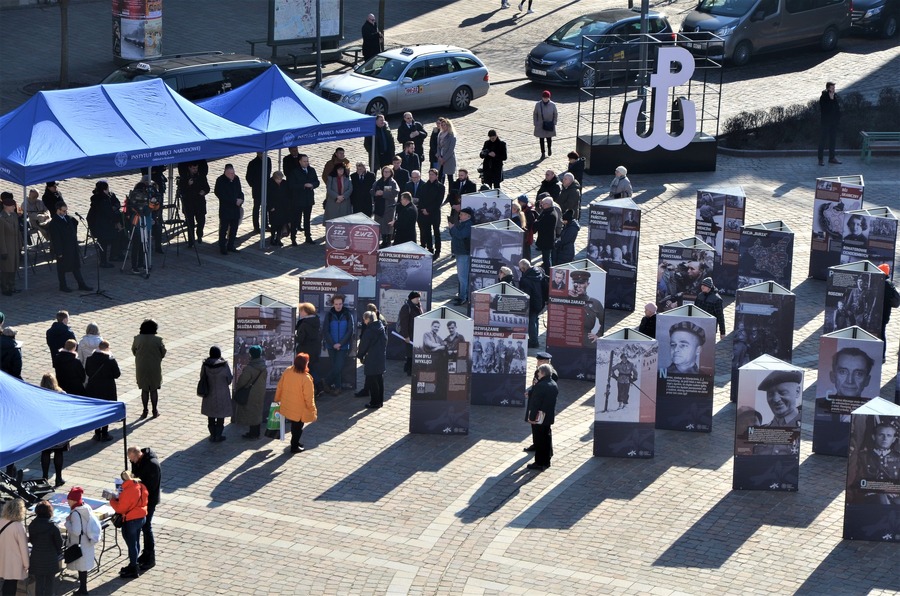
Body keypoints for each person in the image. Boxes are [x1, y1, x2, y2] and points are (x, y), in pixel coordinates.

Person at [275, 352, 318, 453]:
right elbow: (309, 397)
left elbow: (280, 386)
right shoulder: (306, 378)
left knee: (294, 425)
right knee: (298, 427)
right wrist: (312, 408)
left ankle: (296, 443)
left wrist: (277, 399)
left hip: (288, 404)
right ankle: (294, 446)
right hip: (299, 408)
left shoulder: (288, 371)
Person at [109, 470, 148, 579]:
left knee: (131, 544)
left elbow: (120, 509)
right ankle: (134, 563)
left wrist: (112, 500)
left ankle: (133, 567)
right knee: (136, 541)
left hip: (131, 520)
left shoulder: (128, 491)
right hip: (141, 517)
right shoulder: (141, 486)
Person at [127, 446, 161, 571]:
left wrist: (137, 485)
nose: (131, 461)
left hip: (149, 500)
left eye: (132, 459)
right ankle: (145, 553)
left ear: (138, 455)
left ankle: (150, 556)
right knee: (143, 526)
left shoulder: (152, 464)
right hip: (141, 498)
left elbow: (151, 486)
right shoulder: (137, 461)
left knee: (146, 526)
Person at [47, 201, 92, 292]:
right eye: (63, 211)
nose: (65, 212)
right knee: (62, 268)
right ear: (58, 210)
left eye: (66, 211)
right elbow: (56, 239)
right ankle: (63, 286)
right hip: (63, 249)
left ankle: (81, 284)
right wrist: (59, 252)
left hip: (72, 247)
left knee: (76, 267)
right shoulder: (54, 223)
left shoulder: (67, 218)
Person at [64, 487, 102, 593]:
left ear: (73, 500)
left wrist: (67, 523)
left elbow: (76, 531)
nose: (68, 502)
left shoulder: (75, 514)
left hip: (79, 543)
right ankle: (83, 589)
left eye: (69, 499)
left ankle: (83, 590)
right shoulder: (86, 507)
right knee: (83, 568)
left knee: (81, 568)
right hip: (86, 542)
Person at [37, 374, 70, 486]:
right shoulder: (62, 394)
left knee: (45, 452)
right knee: (58, 452)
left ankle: (44, 478)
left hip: (45, 428)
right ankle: (58, 478)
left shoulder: (39, 394)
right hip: (58, 427)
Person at [85, 340, 121, 442]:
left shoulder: (89, 358)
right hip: (107, 389)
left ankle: (97, 433)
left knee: (96, 410)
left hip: (93, 388)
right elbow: (117, 374)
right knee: (106, 410)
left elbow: (87, 372)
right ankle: (105, 433)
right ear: (107, 348)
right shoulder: (110, 360)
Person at [857, 421, 900, 504]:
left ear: (894, 439)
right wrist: (880, 492)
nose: (885, 439)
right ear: (874, 437)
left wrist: (893, 491)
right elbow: (857, 480)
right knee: (881, 499)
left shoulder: (898, 457)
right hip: (869, 497)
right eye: (881, 435)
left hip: (894, 496)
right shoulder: (863, 456)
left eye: (889, 435)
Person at [132, 318, 166, 420]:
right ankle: (155, 410)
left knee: (144, 389)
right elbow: (163, 352)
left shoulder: (137, 339)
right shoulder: (158, 340)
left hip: (142, 366)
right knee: (154, 389)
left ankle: (145, 410)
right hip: (154, 367)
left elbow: (133, 350)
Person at [526, 363, 558, 471]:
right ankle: (546, 461)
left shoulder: (540, 386)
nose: (538, 374)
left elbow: (536, 404)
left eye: (539, 372)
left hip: (539, 417)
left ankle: (539, 463)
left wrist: (531, 417)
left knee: (539, 440)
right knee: (546, 438)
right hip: (548, 417)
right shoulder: (553, 384)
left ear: (543, 373)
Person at [199, 346, 233, 443]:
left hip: (209, 393)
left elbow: (202, 377)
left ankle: (212, 435)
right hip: (222, 393)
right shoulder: (224, 365)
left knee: (211, 415)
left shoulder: (205, 365)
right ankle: (218, 435)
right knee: (221, 415)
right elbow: (229, 379)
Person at [28, 500, 63, 596]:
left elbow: (32, 540)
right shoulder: (53, 526)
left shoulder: (32, 525)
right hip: (50, 558)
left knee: (39, 582)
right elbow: (59, 543)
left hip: (37, 558)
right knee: (49, 583)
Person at [323, 294, 355, 394]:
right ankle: (337, 388)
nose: (338, 306)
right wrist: (333, 344)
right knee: (335, 367)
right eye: (336, 304)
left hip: (343, 346)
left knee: (338, 366)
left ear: (343, 303)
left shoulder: (347, 314)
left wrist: (340, 344)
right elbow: (326, 331)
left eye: (340, 304)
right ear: (333, 304)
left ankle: (325, 382)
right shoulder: (329, 315)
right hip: (331, 345)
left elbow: (350, 331)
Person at [234, 345, 267, 440]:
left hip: (250, 394)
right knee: (257, 412)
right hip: (260, 392)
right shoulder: (263, 367)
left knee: (251, 412)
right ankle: (256, 432)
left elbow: (242, 382)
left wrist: (238, 388)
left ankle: (253, 433)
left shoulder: (249, 368)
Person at [357, 311, 387, 409]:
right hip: (380, 357)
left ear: (368, 319)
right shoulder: (381, 327)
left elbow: (363, 345)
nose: (364, 322)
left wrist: (360, 355)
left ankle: (374, 402)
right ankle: (380, 401)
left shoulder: (369, 330)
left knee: (372, 381)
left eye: (364, 319)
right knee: (379, 379)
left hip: (371, 358)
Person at [288, 152, 320, 245]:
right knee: (295, 219)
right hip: (298, 200)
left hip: (308, 199)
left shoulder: (311, 170)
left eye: (307, 161)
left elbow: (317, 182)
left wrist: (312, 185)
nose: (306, 163)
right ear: (300, 162)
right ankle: (293, 238)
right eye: (304, 161)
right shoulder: (295, 172)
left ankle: (308, 237)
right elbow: (291, 185)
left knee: (307, 219)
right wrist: (303, 185)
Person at [214, 164, 245, 255]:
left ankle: (231, 245)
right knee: (224, 229)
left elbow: (240, 191)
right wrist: (234, 201)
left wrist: (241, 199)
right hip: (226, 209)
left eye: (233, 173)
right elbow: (220, 194)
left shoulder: (236, 179)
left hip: (235, 208)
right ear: (226, 173)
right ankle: (222, 247)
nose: (233, 175)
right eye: (231, 173)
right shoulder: (220, 180)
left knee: (234, 228)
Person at [0, 498, 29, 596]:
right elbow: (24, 548)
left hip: (1, 557)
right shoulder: (19, 526)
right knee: (11, 584)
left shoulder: (1, 521)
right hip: (13, 562)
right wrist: (26, 564)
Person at [179, 161, 210, 248]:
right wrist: (188, 184)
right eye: (193, 168)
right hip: (189, 203)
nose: (195, 170)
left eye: (196, 168)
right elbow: (181, 191)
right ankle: (191, 241)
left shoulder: (201, 176)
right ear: (189, 168)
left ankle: (199, 234)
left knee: (201, 220)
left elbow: (207, 188)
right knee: (190, 223)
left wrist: (204, 191)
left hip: (199, 202)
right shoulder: (184, 177)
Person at [569, 271, 604, 345]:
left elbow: (603, 321)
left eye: (581, 283)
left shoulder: (595, 303)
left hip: (585, 340)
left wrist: (598, 334)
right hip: (568, 338)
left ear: (587, 284)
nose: (578, 286)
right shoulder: (566, 299)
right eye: (575, 283)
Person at [518, 259, 546, 348]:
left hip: (532, 303)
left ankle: (534, 341)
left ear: (523, 269)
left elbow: (526, 295)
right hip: (540, 301)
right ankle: (535, 339)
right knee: (535, 320)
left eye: (520, 269)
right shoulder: (539, 271)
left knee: (531, 322)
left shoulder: (525, 280)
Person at [294, 303, 322, 393]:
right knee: (313, 368)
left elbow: (300, 339)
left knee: (308, 369)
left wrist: (294, 337)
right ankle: (318, 386)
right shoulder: (316, 321)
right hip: (315, 349)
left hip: (306, 350)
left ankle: (317, 387)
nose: (300, 313)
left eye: (301, 311)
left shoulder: (304, 324)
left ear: (306, 312)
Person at [449, 206, 474, 305]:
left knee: (462, 277)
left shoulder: (468, 225)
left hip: (463, 253)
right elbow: (454, 234)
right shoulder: (463, 223)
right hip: (459, 252)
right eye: (460, 214)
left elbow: (460, 235)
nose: (460, 216)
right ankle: (462, 295)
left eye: (462, 214)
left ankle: (463, 297)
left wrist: (452, 228)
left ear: (468, 216)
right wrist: (453, 228)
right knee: (462, 277)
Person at [372, 165, 400, 248]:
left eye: (388, 172)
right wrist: (376, 193)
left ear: (391, 173)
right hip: (379, 207)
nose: (386, 173)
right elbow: (372, 190)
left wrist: (383, 193)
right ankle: (382, 240)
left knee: (387, 225)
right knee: (380, 224)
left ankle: (387, 241)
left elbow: (395, 192)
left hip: (388, 208)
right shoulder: (378, 181)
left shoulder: (392, 182)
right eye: (385, 171)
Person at [397, 291, 423, 375]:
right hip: (410, 334)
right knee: (410, 354)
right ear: (412, 298)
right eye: (416, 298)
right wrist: (406, 336)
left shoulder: (418, 305)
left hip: (416, 333)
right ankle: (409, 370)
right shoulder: (406, 307)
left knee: (412, 353)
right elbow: (404, 323)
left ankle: (408, 368)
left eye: (419, 298)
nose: (418, 299)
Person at [245, 152, 272, 233]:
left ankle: (266, 224)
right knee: (256, 207)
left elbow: (269, 172)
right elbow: (248, 177)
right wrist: (254, 185)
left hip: (266, 187)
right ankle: (256, 227)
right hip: (257, 189)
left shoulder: (268, 160)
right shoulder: (252, 163)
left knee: (266, 206)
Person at [878, 263, 899, 361]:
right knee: (882, 333)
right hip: (886, 314)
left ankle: (881, 355)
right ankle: (882, 355)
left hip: (880, 314)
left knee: (880, 334)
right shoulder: (890, 284)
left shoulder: (882, 283)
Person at [818, 81, 842, 166]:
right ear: (828, 88)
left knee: (833, 140)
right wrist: (831, 100)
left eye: (834, 88)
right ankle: (820, 159)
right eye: (832, 88)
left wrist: (838, 119)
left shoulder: (834, 96)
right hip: (825, 122)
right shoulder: (823, 97)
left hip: (833, 123)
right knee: (822, 141)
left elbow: (837, 108)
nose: (834, 89)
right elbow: (825, 109)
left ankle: (832, 158)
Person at [0, 195, 19, 297]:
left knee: (14, 267)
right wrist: (3, 251)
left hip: (14, 246)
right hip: (7, 247)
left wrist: (20, 245)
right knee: (6, 269)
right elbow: (1, 236)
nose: (14, 207)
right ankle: (5, 288)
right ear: (6, 206)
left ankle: (12, 286)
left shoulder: (14, 215)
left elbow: (17, 232)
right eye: (12, 206)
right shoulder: (1, 218)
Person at [267, 170, 291, 246]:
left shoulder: (284, 183)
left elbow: (288, 194)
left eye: (280, 179)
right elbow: (268, 197)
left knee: (281, 224)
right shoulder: (269, 184)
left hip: (283, 207)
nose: (279, 181)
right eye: (278, 179)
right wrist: (270, 207)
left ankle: (278, 239)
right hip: (274, 207)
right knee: (274, 224)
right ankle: (272, 239)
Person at [534, 197, 557, 269]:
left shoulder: (550, 215)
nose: (542, 205)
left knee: (546, 258)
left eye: (543, 204)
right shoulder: (547, 211)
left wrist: (536, 222)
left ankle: (548, 272)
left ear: (548, 204)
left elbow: (540, 224)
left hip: (547, 240)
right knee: (545, 257)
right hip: (545, 239)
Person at [533, 90, 557, 159]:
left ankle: (549, 148)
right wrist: (535, 122)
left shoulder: (553, 105)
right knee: (541, 140)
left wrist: (554, 122)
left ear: (549, 98)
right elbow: (535, 114)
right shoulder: (538, 104)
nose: (545, 99)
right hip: (540, 125)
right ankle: (543, 153)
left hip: (549, 124)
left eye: (547, 98)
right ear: (542, 97)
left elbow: (555, 114)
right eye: (544, 98)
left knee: (549, 138)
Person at [436, 118, 458, 186]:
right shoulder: (440, 134)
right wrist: (439, 156)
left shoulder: (452, 136)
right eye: (442, 125)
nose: (442, 126)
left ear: (448, 126)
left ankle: (450, 191)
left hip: (449, 159)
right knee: (439, 176)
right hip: (440, 158)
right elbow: (438, 146)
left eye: (444, 125)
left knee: (450, 177)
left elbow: (450, 150)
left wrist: (444, 159)